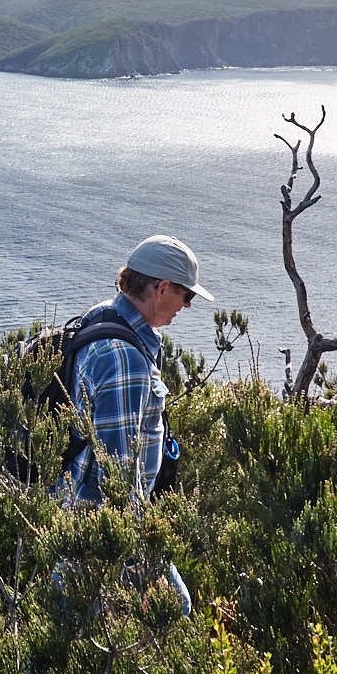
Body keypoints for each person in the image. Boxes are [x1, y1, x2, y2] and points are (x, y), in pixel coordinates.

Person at [61, 235, 211, 613]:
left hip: (75, 518)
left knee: (70, 635)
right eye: (186, 295)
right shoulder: (125, 359)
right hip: (96, 533)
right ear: (162, 288)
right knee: (173, 609)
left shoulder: (103, 316)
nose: (188, 305)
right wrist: (140, 554)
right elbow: (116, 474)